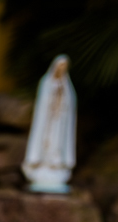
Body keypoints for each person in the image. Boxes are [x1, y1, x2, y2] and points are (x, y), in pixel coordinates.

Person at [22, 54, 77, 193]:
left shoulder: (67, 87)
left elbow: (70, 105)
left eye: (65, 66)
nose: (62, 69)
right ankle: (42, 163)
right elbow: (42, 105)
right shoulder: (46, 83)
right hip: (47, 124)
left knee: (57, 144)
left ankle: (56, 165)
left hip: (60, 124)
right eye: (60, 66)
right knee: (45, 142)